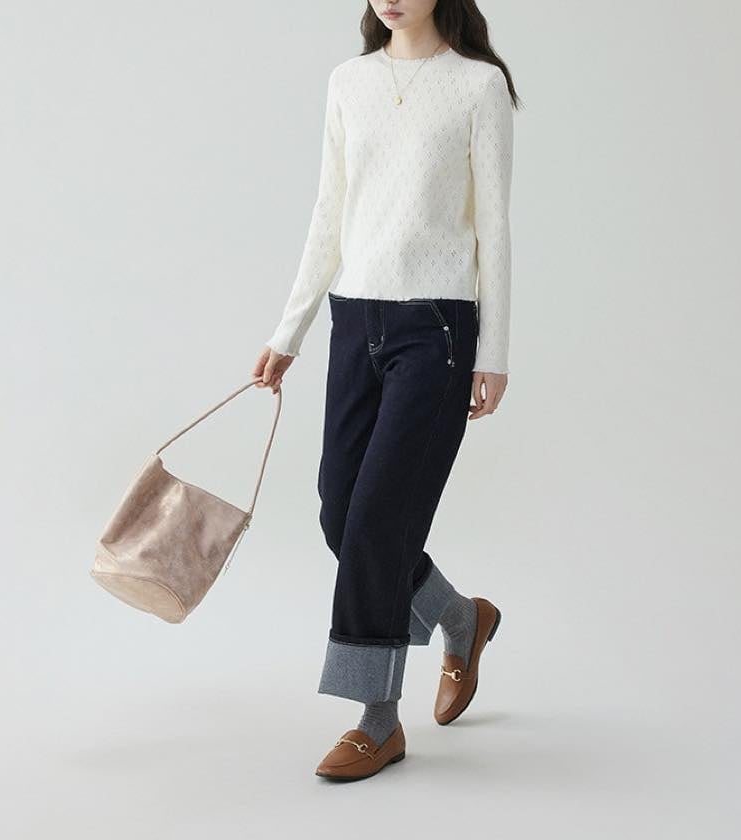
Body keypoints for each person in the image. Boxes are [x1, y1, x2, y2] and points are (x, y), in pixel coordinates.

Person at [251, 0, 518, 781]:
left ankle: (377, 719)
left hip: (437, 330)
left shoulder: (477, 86)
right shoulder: (349, 81)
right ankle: (461, 620)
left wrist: (494, 351)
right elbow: (328, 210)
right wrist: (289, 330)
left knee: (375, 522)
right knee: (341, 512)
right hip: (353, 319)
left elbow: (494, 225)